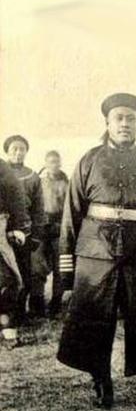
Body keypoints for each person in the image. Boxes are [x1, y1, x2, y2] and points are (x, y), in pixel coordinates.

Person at [56, 93, 136, 409]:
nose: (125, 123)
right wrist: (67, 274)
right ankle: (101, 381)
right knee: (94, 321)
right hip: (94, 257)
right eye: (119, 118)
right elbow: (71, 217)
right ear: (108, 123)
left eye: (131, 118)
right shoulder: (89, 160)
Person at [4, 135, 45, 321]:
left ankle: (18, 313)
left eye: (22, 149)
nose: (18, 153)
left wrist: (35, 234)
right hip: (2, 229)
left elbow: (38, 208)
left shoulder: (32, 176)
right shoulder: (1, 172)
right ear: (7, 151)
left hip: (24, 230)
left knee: (24, 273)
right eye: (14, 149)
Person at [32, 150, 69, 318]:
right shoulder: (39, 182)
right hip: (40, 228)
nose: (54, 164)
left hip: (58, 228)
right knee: (38, 266)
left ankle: (56, 303)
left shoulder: (66, 183)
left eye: (57, 161)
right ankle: (37, 303)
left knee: (59, 266)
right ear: (46, 164)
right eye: (51, 162)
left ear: (60, 163)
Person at [0, 158, 30, 348]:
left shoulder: (1, 167)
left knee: (8, 278)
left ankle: (7, 327)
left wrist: (18, 227)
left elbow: (17, 196)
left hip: (0, 226)